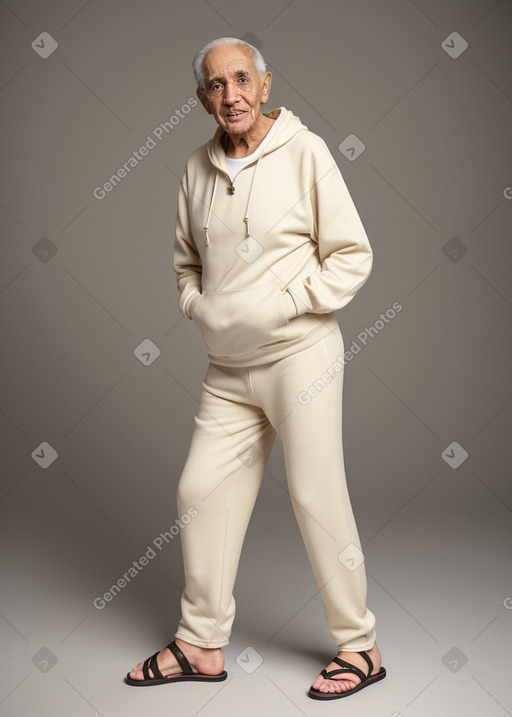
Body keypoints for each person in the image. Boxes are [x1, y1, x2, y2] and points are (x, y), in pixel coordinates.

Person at [125, 36, 386, 700]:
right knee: (198, 492)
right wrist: (198, 306)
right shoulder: (195, 168)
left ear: (265, 86)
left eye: (242, 79)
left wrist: (291, 304)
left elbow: (353, 255)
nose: (230, 94)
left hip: (301, 357)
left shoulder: (307, 154)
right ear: (201, 99)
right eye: (216, 85)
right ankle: (199, 643)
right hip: (228, 368)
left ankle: (360, 646)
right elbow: (186, 263)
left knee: (315, 497)